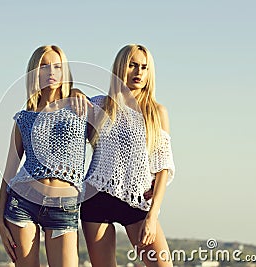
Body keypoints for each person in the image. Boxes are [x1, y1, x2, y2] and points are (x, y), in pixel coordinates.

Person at [80, 44, 175, 267]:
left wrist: (152, 216)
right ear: (121, 68)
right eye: (132, 65)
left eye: (144, 67)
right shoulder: (99, 105)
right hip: (96, 199)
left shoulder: (156, 112)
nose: (139, 72)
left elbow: (163, 167)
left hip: (138, 202)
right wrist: (75, 92)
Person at [0, 45, 89, 267]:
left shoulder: (80, 106)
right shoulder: (24, 118)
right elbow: (9, 171)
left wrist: (77, 92)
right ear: (35, 73)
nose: (51, 72)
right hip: (22, 203)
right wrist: (0, 220)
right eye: (44, 66)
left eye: (57, 66)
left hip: (64, 204)